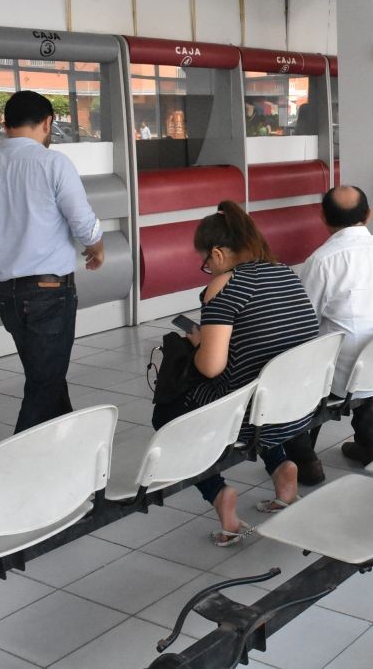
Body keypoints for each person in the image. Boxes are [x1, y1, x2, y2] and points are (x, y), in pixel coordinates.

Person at [154, 203, 319, 546]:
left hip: (249, 417)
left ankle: (219, 493)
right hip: (296, 409)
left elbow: (210, 367)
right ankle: (282, 470)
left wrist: (200, 343)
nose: (207, 269)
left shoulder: (225, 286)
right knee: (256, 385)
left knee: (167, 414)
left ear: (217, 253)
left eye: (206, 262)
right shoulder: (284, 272)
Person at [0, 91, 105, 434]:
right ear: (48, 123)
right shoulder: (53, 163)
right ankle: (12, 462)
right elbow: (83, 223)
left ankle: (70, 448)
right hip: (49, 294)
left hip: (9, 296)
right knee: (44, 385)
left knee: (47, 376)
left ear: (5, 125)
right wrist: (97, 249)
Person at [287, 186, 373, 472]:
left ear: (322, 217)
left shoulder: (322, 261)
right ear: (368, 215)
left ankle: (306, 462)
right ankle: (368, 444)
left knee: (286, 370)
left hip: (340, 377)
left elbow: (305, 323)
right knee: (361, 346)